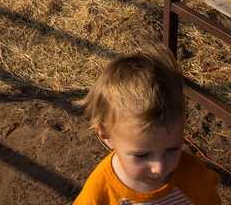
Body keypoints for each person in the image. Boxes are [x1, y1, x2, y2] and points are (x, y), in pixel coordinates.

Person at [74, 46, 221, 205]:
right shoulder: (100, 192)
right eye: (142, 155)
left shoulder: (194, 176)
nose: (159, 168)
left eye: (172, 150)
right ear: (106, 135)